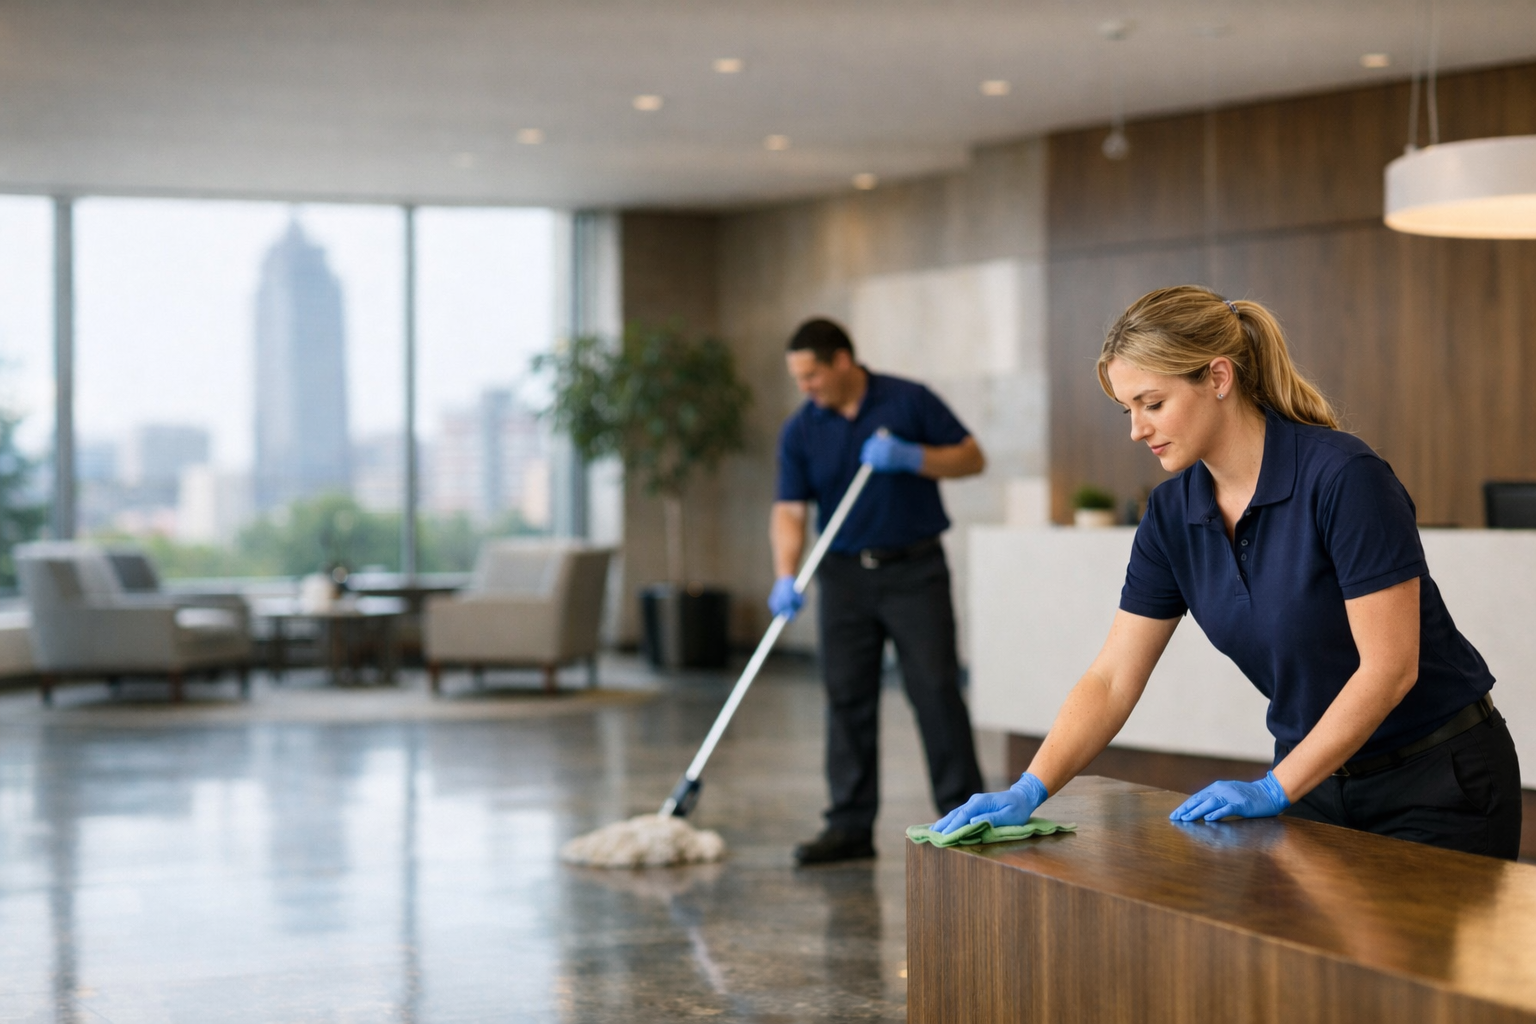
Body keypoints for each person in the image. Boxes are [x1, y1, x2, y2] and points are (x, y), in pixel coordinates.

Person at [938, 286, 1523, 860]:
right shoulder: (1171, 515)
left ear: (1218, 377)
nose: (1136, 429)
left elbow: (1389, 668)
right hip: (1314, 782)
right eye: (1127, 409)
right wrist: (1030, 788)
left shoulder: (1344, 477)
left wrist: (1274, 789)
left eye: (1152, 404)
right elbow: (1113, 678)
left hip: (1436, 781)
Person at [772, 317, 987, 865]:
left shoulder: (908, 401)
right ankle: (848, 826)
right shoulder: (802, 429)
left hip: (915, 571)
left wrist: (914, 457)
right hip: (843, 576)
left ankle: (966, 817)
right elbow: (790, 510)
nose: (805, 387)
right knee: (846, 696)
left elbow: (971, 457)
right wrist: (785, 573)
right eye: (799, 378)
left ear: (842, 361)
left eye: (811, 375)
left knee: (935, 690)